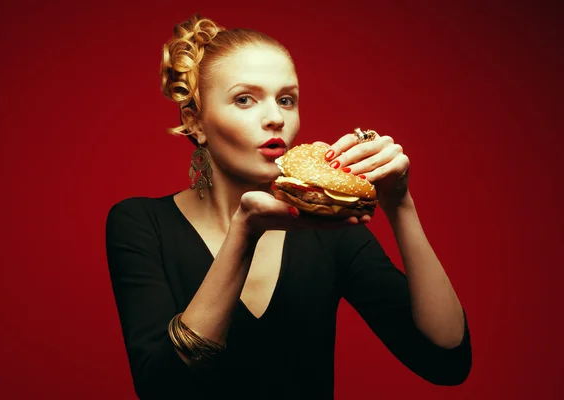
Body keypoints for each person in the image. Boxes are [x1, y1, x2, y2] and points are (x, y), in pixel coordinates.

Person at [105, 14, 472, 400]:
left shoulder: (330, 235)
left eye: (286, 100)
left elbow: (445, 359)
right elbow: (163, 387)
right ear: (195, 122)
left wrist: (400, 204)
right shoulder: (141, 224)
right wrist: (244, 231)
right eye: (244, 99)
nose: (275, 118)